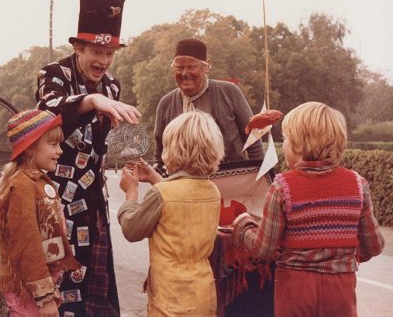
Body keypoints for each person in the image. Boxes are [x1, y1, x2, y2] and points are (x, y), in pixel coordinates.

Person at [36, 0, 141, 316]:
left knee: (98, 294)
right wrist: (91, 102)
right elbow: (48, 112)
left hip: (94, 204)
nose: (103, 61)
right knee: (60, 289)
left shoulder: (112, 86)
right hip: (58, 204)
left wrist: (131, 144)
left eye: (109, 53)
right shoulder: (54, 75)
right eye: (96, 51)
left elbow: (111, 143)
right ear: (78, 47)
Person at [233, 101, 385, 317]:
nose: (283, 144)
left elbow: (262, 250)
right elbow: (374, 246)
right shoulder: (357, 184)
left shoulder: (282, 187)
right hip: (340, 290)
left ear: (298, 144)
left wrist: (243, 225)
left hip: (295, 288)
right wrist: (341, 257)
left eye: (285, 139)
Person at [118, 110, 225, 316]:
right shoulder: (212, 190)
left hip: (170, 297)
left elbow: (132, 229)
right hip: (203, 293)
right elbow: (181, 203)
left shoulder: (162, 193)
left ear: (174, 152)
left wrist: (131, 192)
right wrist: (156, 178)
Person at [0, 109, 80, 317]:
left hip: (36, 287)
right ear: (30, 148)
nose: (60, 151)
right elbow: (27, 244)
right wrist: (44, 297)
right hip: (29, 292)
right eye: (53, 144)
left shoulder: (35, 181)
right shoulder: (22, 186)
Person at [154, 38, 264, 174]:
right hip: (182, 186)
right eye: (179, 68)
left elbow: (253, 139)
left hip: (231, 178)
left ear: (206, 66)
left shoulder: (229, 92)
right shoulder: (166, 103)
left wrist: (261, 176)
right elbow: (160, 155)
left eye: (191, 67)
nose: (184, 73)